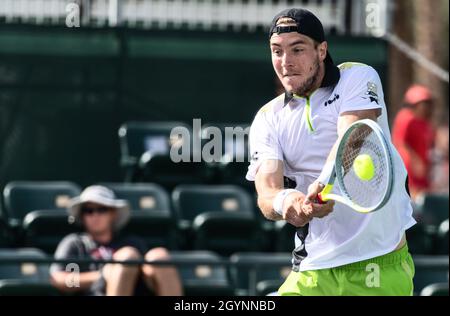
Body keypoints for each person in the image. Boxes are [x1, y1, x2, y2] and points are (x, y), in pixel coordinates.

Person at [246, 8, 416, 296]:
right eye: (277, 51)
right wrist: (291, 203)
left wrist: (323, 183)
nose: (285, 62)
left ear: (321, 50)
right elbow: (267, 192)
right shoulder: (267, 118)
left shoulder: (358, 76)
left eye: (297, 49)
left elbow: (352, 136)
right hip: (312, 270)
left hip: (378, 265)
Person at [50, 185, 183, 296]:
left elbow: (147, 276)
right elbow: (60, 279)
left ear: (113, 214)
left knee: (159, 256)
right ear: (82, 215)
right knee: (127, 256)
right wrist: (101, 275)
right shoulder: (74, 244)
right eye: (89, 211)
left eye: (102, 209)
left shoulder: (133, 242)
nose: (95, 215)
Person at [392, 84, 436, 199]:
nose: (426, 107)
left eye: (428, 103)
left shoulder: (425, 122)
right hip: (410, 172)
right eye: (423, 103)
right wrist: (415, 162)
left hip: (423, 174)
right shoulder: (406, 118)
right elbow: (400, 143)